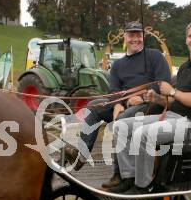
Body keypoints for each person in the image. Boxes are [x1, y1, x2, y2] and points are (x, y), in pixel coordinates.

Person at [107, 20, 191, 194]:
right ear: (186, 40)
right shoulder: (184, 67)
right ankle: (128, 177)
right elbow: (175, 101)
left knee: (141, 135)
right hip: (173, 117)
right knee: (120, 126)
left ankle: (143, 186)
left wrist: (172, 91)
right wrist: (159, 98)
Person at [64, 21, 171, 185]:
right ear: (125, 37)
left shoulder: (155, 56)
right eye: (131, 35)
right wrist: (116, 105)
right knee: (93, 106)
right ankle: (81, 155)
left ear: (143, 37)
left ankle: (119, 174)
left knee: (122, 120)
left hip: (149, 103)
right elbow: (114, 90)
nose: (135, 38)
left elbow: (163, 83)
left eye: (138, 35)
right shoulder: (118, 65)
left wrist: (142, 97)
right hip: (124, 102)